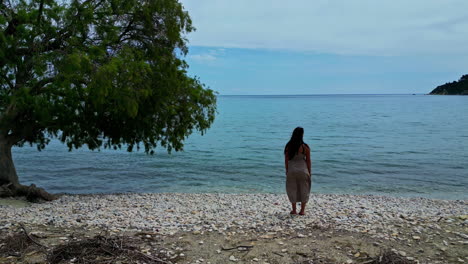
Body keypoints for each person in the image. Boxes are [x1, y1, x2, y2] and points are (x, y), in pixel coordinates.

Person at [284, 127, 311, 215]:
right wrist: (309, 172)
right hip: (303, 170)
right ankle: (302, 211)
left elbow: (286, 160)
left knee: (292, 189)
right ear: (302, 135)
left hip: (292, 170)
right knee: (304, 189)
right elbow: (308, 160)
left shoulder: (288, 146)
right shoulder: (305, 147)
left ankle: (294, 210)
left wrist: (287, 170)